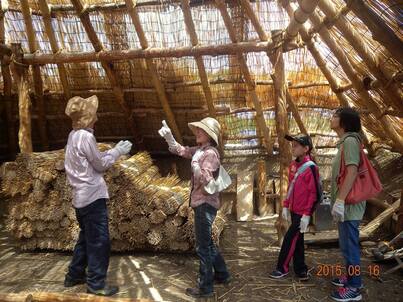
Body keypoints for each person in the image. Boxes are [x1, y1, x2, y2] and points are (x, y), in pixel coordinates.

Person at [64, 95, 132, 296]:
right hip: (92, 197)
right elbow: (100, 165)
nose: (97, 118)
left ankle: (74, 275)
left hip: (80, 198)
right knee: (99, 241)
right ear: (88, 118)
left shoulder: (72, 136)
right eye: (94, 115)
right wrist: (117, 151)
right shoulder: (86, 137)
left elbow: (91, 161)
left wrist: (112, 151)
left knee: (86, 238)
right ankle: (96, 284)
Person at [158, 118, 231, 298]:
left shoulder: (211, 154)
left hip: (205, 204)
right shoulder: (200, 150)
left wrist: (197, 168)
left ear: (210, 135)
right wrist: (169, 138)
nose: (197, 132)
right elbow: (181, 150)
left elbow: (207, 181)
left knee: (202, 247)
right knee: (207, 244)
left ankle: (205, 287)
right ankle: (222, 275)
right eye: (197, 129)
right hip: (201, 203)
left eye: (201, 130)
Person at [269, 134, 320, 281]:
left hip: (303, 212)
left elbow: (314, 193)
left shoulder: (311, 168)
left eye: (296, 145)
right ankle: (301, 269)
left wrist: (307, 214)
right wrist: (285, 206)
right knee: (297, 240)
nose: (293, 148)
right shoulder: (293, 165)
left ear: (306, 149)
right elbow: (290, 188)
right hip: (293, 210)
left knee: (290, 238)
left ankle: (281, 268)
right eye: (292, 145)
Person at [329, 107, 364, 302]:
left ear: (344, 121)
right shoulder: (344, 142)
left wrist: (340, 201)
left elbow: (351, 172)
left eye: (335, 115)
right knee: (346, 245)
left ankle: (354, 287)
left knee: (350, 246)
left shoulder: (350, 140)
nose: (331, 118)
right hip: (346, 205)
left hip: (350, 205)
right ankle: (352, 277)